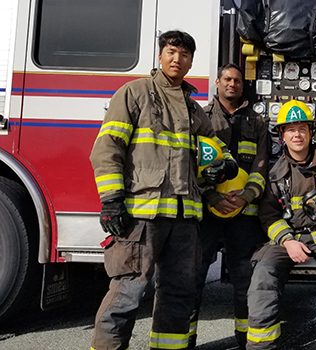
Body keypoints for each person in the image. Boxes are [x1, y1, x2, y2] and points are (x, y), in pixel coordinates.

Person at [89, 30, 237, 350]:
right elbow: (106, 149)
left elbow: (215, 155)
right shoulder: (134, 93)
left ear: (191, 61)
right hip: (143, 216)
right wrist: (112, 200)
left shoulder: (194, 110)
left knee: (179, 296)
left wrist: (224, 168)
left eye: (184, 55)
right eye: (171, 52)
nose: (177, 59)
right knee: (127, 293)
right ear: (160, 56)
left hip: (184, 221)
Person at [246, 100, 316, 350]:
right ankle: (260, 346)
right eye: (290, 129)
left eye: (302, 128)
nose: (297, 135)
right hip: (289, 240)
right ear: (282, 136)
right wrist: (287, 241)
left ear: (311, 132)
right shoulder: (274, 174)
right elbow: (268, 216)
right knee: (263, 273)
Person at [188, 63, 270, 349]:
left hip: (244, 213)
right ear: (217, 84)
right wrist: (210, 196)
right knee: (194, 274)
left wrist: (247, 196)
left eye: (237, 80)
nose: (232, 84)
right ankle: (185, 339)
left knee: (244, 278)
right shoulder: (199, 118)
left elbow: (261, 166)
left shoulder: (258, 124)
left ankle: (245, 338)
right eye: (226, 79)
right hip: (207, 211)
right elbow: (190, 163)